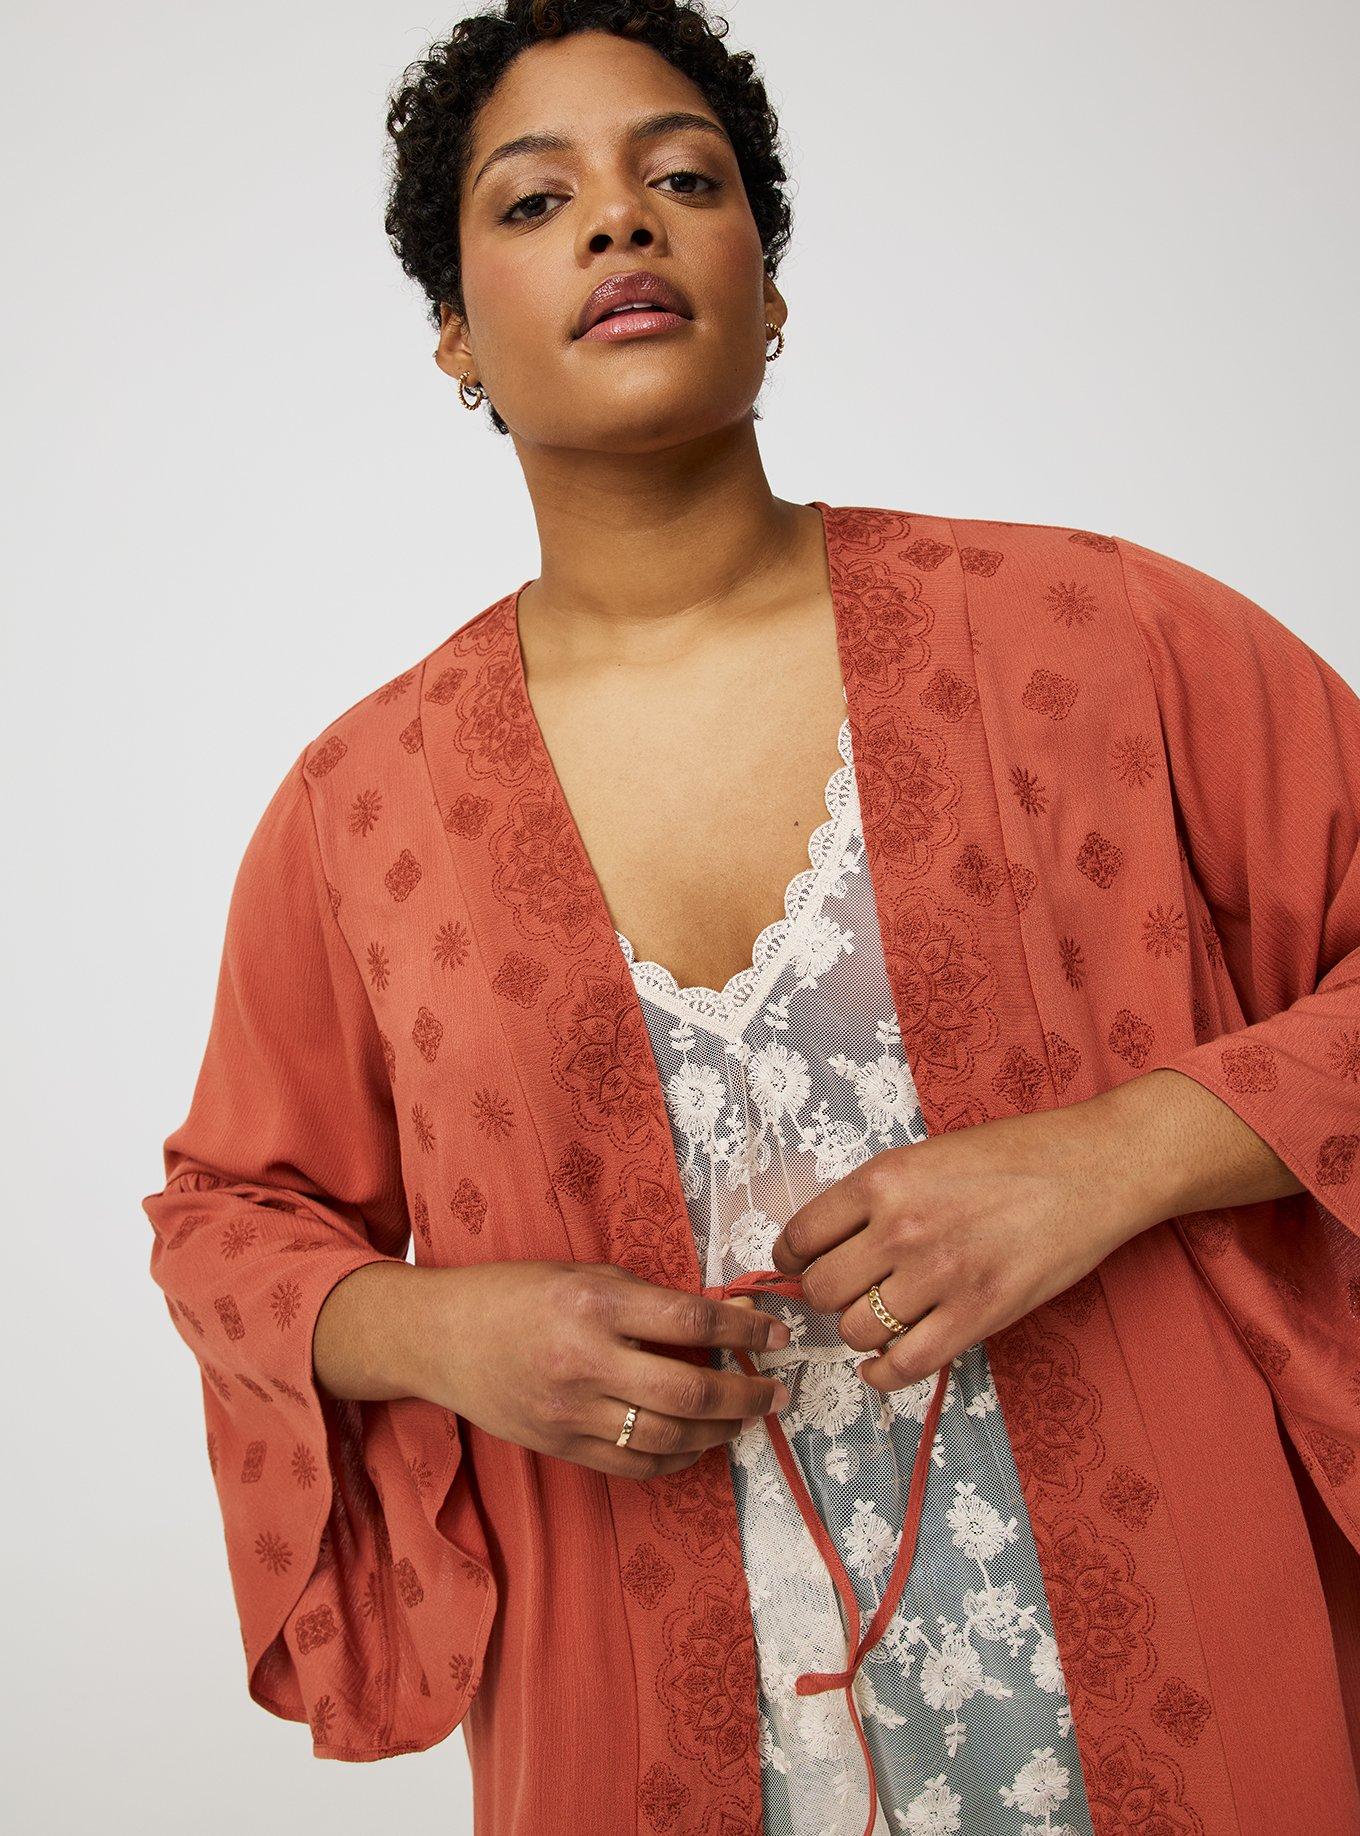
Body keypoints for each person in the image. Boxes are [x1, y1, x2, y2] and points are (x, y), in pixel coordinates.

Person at [142, 3, 1360, 1832]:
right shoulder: (361, 813)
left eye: (683, 180)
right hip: (646, 1728)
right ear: (457, 334)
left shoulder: (1102, 641)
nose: (621, 221)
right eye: (536, 201)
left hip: (1186, 1687)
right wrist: (445, 1336)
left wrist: (1115, 1156)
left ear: (766, 286)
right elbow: (228, 1226)